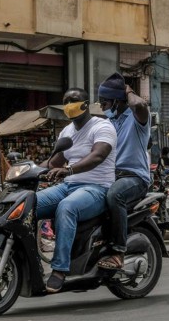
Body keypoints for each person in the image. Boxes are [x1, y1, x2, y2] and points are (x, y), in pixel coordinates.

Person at [37, 87, 117, 292]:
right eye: (65, 101)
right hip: (68, 186)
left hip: (96, 188)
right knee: (29, 203)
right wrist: (29, 169)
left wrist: (69, 170)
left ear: (85, 104)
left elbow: (98, 156)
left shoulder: (102, 126)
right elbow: (54, 161)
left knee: (67, 207)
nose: (69, 105)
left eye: (73, 100)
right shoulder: (67, 131)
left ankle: (60, 270)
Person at [95, 72, 151, 269]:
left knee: (114, 195)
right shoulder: (109, 124)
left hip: (134, 178)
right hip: (111, 176)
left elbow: (139, 105)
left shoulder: (137, 120)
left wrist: (127, 90)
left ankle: (118, 252)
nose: (102, 107)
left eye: (105, 102)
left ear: (118, 101)